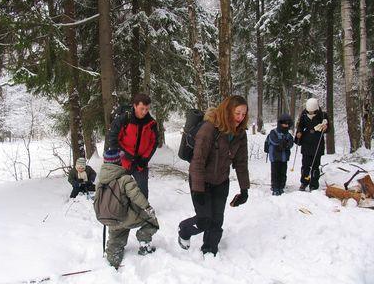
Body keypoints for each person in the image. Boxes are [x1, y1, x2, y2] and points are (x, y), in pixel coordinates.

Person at [177, 95, 250, 257]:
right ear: (227, 111)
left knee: (217, 221)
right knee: (204, 221)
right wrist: (197, 190)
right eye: (237, 113)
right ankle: (184, 230)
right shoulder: (210, 129)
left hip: (221, 182)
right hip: (201, 181)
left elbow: (241, 162)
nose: (240, 118)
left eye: (243, 114)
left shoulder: (240, 134)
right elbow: (197, 162)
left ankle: (210, 250)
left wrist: (244, 189)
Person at [99, 149, 159, 269]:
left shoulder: (100, 180)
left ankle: (112, 258)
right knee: (152, 222)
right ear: (118, 162)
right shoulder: (125, 179)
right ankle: (144, 242)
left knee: (116, 238)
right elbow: (136, 195)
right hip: (126, 217)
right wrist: (147, 208)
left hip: (110, 219)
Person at [108, 93, 159, 199]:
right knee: (119, 191)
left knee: (142, 192)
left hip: (140, 164)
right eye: (142, 108)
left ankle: (142, 212)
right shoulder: (124, 119)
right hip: (123, 162)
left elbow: (153, 142)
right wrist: (126, 155)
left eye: (147, 109)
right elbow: (113, 140)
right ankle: (119, 211)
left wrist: (145, 159)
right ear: (135, 106)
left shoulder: (151, 123)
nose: (144, 112)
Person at [295, 98, 329, 191]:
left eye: (312, 111)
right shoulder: (304, 114)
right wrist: (299, 132)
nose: (310, 113)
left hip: (317, 142)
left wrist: (325, 127)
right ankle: (304, 182)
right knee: (305, 165)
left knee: (315, 165)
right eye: (309, 111)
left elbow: (328, 128)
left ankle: (314, 184)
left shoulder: (323, 115)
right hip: (306, 142)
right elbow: (300, 126)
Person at [264, 114, 294, 196]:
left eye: (287, 124)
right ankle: (275, 187)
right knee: (275, 173)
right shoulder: (273, 132)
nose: (286, 125)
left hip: (284, 158)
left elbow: (291, 143)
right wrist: (281, 143)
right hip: (274, 157)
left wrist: (286, 145)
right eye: (284, 123)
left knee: (283, 172)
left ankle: (281, 186)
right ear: (280, 123)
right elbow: (273, 140)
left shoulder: (288, 134)